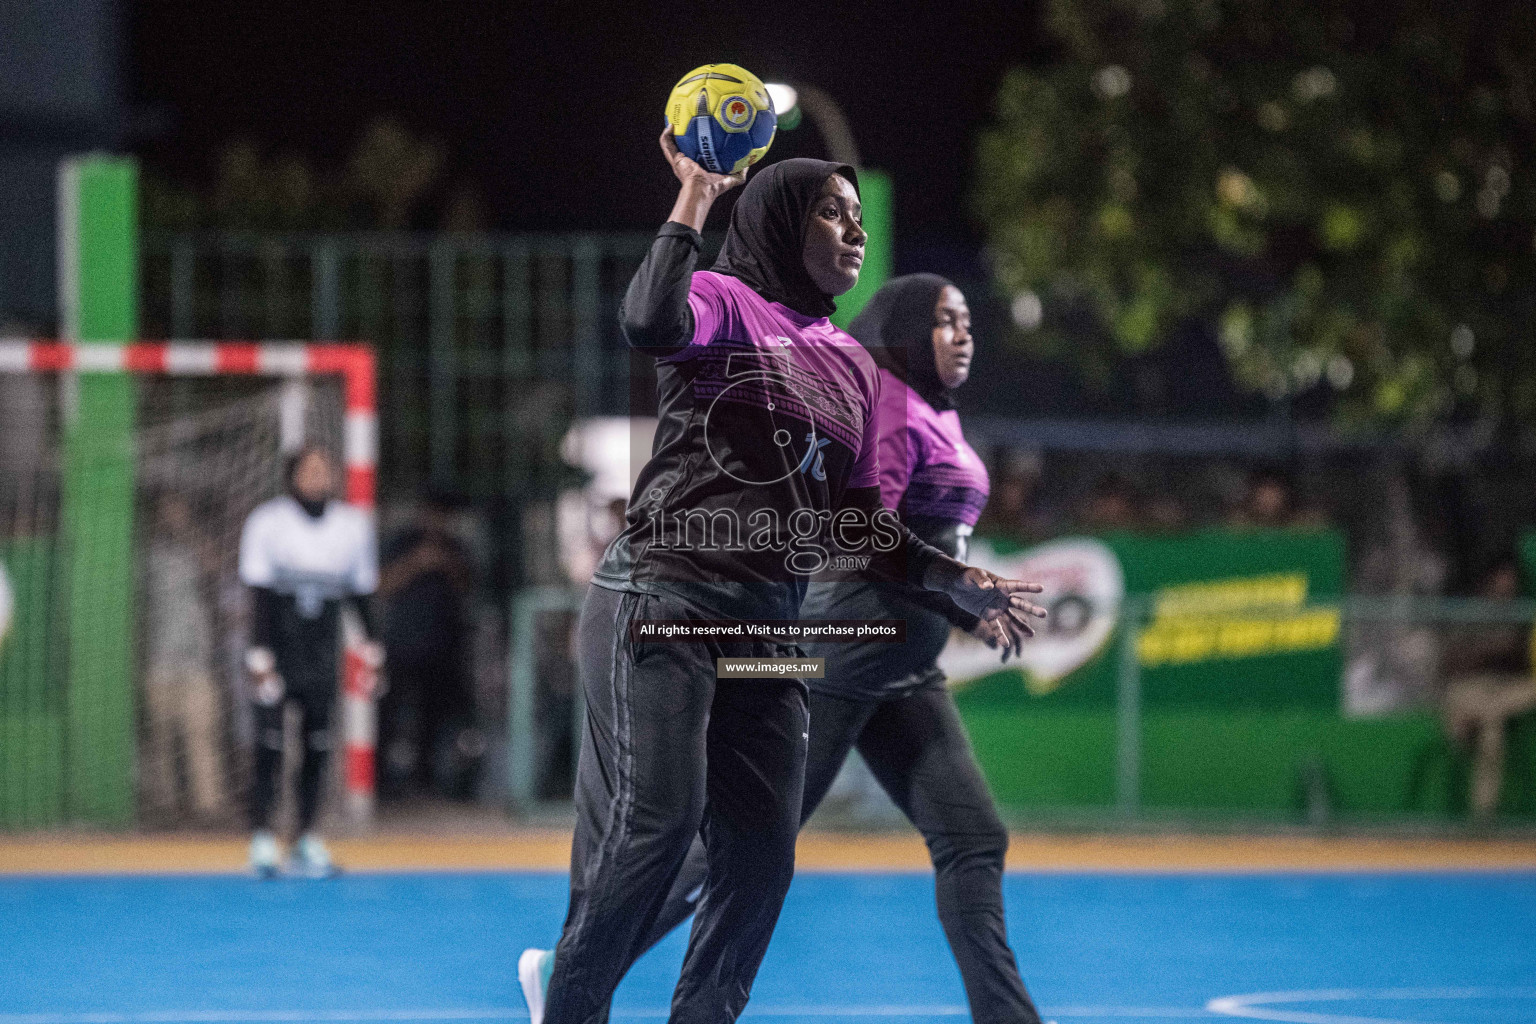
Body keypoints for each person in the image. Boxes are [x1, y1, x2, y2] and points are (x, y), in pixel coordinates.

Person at [518, 133, 1045, 1024]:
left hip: (765, 628)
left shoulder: (849, 364)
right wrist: (693, 199)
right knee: (659, 829)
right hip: (665, 599)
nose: (853, 230)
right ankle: (567, 1004)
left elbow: (856, 526)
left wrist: (954, 581)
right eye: (829, 213)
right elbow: (649, 322)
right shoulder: (726, 300)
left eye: (857, 215)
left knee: (763, 853)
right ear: (778, 225)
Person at [238, 446, 381, 877]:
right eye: (310, 470)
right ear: (292, 476)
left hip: (321, 654)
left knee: (317, 745)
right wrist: (259, 657)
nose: (319, 477)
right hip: (278, 649)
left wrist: (373, 650)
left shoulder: (351, 528)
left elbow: (361, 597)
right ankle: (262, 836)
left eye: (325, 470)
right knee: (269, 743)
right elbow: (259, 599)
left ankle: (305, 836)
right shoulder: (267, 523)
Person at [377, 494, 475, 799]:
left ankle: (427, 780)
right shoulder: (403, 544)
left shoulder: (455, 548)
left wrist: (446, 565)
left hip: (443, 646)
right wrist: (417, 563)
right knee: (390, 714)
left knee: (435, 719)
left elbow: (469, 587)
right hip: (403, 645)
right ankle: (381, 781)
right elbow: (382, 584)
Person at [141, 491, 228, 824]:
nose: (172, 515)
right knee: (160, 736)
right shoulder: (147, 555)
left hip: (196, 658)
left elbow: (217, 564)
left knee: (201, 733)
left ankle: (209, 808)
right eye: (167, 511)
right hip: (158, 657)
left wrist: (187, 528)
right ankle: (163, 806)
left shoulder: (194, 550)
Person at [1440, 557, 1536, 820]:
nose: (1508, 582)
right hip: (1473, 689)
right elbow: (1453, 661)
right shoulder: (1472, 612)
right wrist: (1491, 652)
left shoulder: (1522, 614)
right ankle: (1484, 819)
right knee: (1490, 728)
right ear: (1490, 578)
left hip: (1506, 691)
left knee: (1494, 715)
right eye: (1502, 576)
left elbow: (1520, 662)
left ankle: (1483, 817)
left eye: (1512, 577)